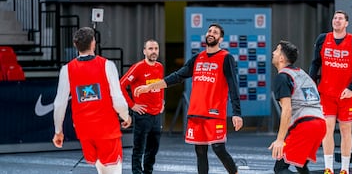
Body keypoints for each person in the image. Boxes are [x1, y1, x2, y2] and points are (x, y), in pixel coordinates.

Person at [134, 23, 243, 174]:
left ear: (221, 39)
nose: (211, 33)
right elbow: (177, 76)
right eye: (210, 30)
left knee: (218, 148)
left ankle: (235, 172)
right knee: (200, 151)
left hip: (215, 113)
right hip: (196, 112)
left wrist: (237, 113)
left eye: (215, 32)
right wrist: (150, 87)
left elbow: (233, 85)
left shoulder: (226, 58)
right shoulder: (197, 58)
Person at [52, 27, 132, 174]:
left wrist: (58, 131)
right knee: (114, 169)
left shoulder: (66, 69)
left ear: (76, 45)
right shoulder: (107, 65)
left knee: (101, 168)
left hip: (85, 130)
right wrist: (125, 116)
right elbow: (118, 99)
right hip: (106, 128)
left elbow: (59, 104)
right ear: (93, 43)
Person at [309, 10, 352, 174]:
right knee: (327, 129)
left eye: (340, 19)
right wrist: (311, 82)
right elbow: (315, 63)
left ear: (346, 23)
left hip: (347, 95)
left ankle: (344, 168)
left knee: (346, 131)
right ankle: (328, 167)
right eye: (335, 18)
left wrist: (351, 88)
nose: (337, 20)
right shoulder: (323, 39)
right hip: (327, 94)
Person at [269, 40, 326, 174]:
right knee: (299, 165)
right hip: (320, 124)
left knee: (280, 169)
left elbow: (287, 110)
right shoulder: (302, 73)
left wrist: (280, 139)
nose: (273, 52)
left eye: (276, 50)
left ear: (282, 58)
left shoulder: (282, 77)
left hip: (305, 125)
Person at [119, 39, 164, 174]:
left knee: (153, 148)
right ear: (144, 51)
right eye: (150, 49)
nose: (153, 51)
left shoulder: (159, 67)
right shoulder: (138, 67)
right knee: (139, 148)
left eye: (156, 48)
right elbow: (121, 84)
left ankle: (148, 172)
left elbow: (161, 86)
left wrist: (162, 102)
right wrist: (132, 105)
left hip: (157, 116)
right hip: (142, 115)